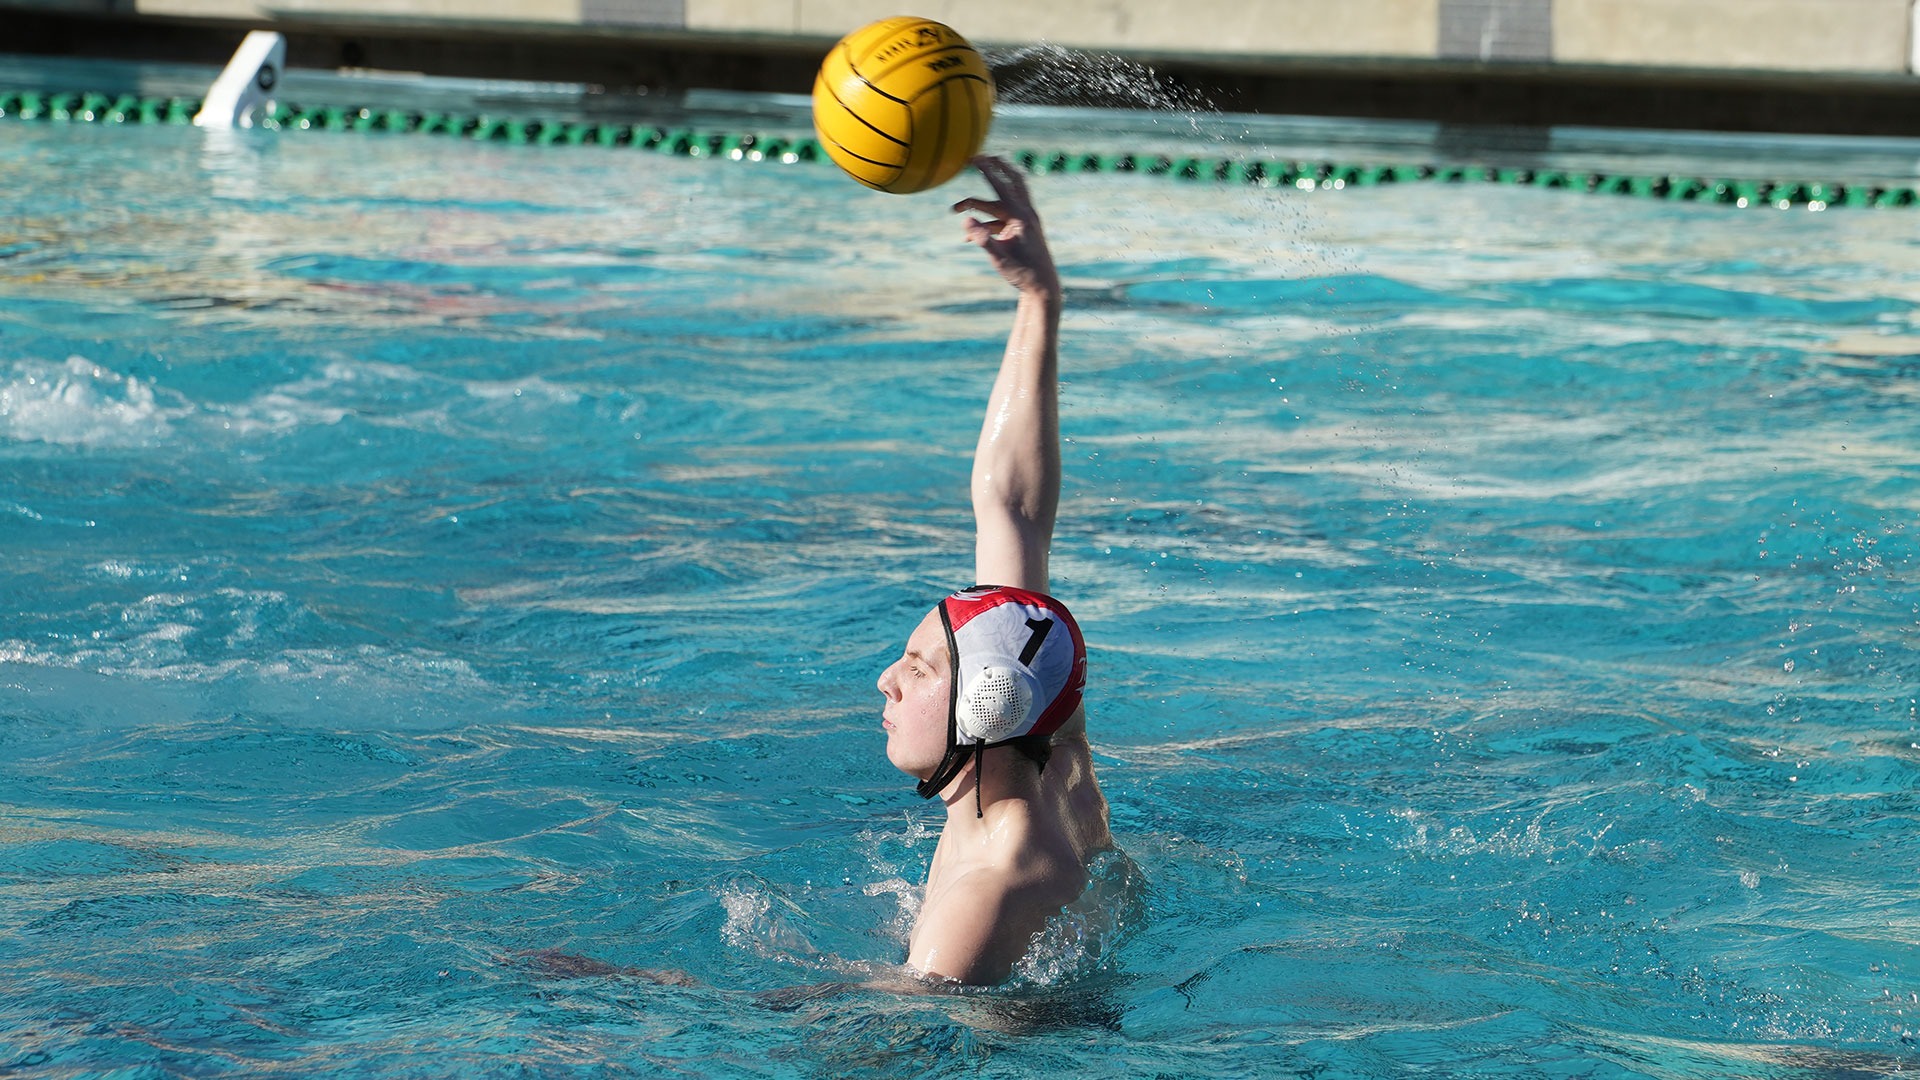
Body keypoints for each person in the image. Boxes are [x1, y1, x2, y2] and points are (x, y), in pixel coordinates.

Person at [874, 155, 1112, 986]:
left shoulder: (987, 894)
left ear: (988, 702)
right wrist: (1038, 299)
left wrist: (625, 996)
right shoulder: (1043, 737)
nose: (886, 681)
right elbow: (1009, 502)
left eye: (918, 666)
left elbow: (865, 1035)